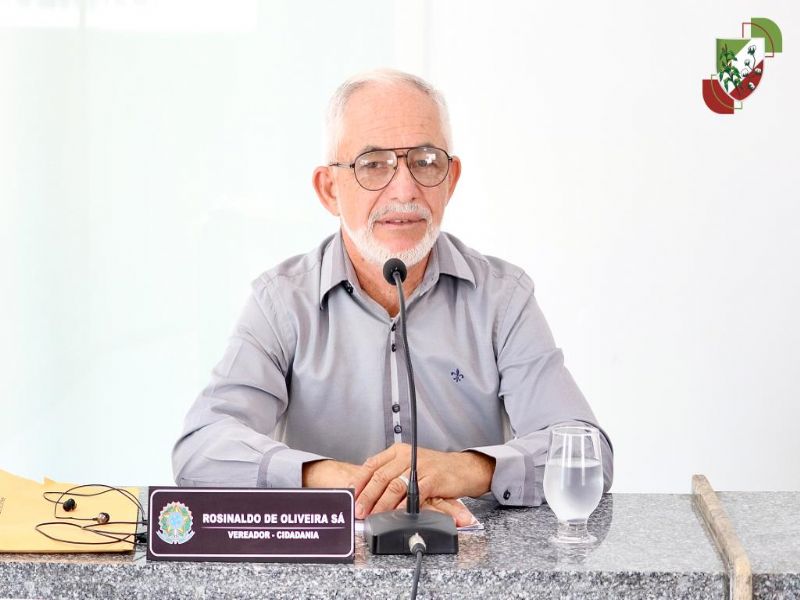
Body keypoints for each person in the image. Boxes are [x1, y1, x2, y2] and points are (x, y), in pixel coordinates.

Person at [172, 69, 613, 527]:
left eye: (426, 161)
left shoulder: (503, 296)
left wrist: (465, 469)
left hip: (466, 555)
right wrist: (339, 480)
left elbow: (587, 453)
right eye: (373, 164)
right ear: (329, 190)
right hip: (328, 561)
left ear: (450, 180)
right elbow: (202, 448)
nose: (404, 190)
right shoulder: (281, 301)